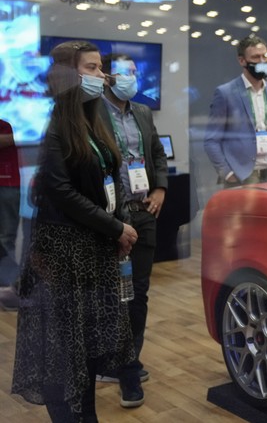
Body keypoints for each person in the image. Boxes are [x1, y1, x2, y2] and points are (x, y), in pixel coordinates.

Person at [12, 40, 138, 421]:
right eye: (93, 68)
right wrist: (115, 227)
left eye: (101, 68)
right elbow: (61, 190)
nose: (103, 77)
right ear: (69, 74)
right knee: (63, 355)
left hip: (94, 250)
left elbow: (107, 177)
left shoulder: (91, 118)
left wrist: (118, 225)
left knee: (86, 354)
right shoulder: (57, 124)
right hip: (65, 254)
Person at [94, 53, 169, 405]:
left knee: (138, 294)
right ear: (108, 76)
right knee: (114, 296)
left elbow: (156, 155)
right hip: (112, 218)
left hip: (144, 214)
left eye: (136, 72)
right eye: (127, 72)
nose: (133, 78)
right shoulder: (91, 114)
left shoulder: (141, 112)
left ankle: (128, 363)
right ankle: (120, 365)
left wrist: (160, 189)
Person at [204, 35, 267, 186]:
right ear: (242, 61)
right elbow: (211, 141)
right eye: (256, 57)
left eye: (265, 56)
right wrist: (228, 174)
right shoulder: (225, 93)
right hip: (242, 176)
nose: (262, 61)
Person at [0, 118, 21, 307]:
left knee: (8, 236)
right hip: (7, 182)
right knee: (6, 236)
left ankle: (9, 288)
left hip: (16, 181)